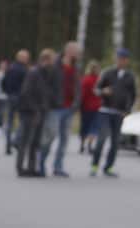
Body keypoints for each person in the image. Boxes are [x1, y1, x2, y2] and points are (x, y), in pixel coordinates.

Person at [92, 50, 137, 175]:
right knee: (101, 139)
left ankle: (108, 167)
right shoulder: (107, 72)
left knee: (115, 142)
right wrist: (103, 91)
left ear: (127, 61)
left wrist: (128, 110)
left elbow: (133, 95)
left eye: (124, 59)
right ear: (115, 59)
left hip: (119, 112)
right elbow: (96, 89)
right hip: (105, 111)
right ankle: (94, 165)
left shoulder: (130, 76)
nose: (121, 61)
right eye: (119, 58)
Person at [17, 49, 60, 176]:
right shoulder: (34, 73)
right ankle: (20, 167)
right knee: (25, 141)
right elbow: (26, 93)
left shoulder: (47, 74)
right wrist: (35, 109)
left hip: (41, 111)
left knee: (35, 142)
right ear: (45, 60)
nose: (54, 63)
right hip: (30, 111)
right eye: (52, 60)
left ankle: (32, 167)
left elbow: (47, 93)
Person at [51, 41, 81, 176]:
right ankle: (40, 163)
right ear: (68, 51)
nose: (78, 54)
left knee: (64, 140)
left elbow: (78, 87)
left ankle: (58, 167)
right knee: (50, 136)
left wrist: (76, 103)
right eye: (77, 52)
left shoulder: (76, 67)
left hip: (70, 108)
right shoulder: (55, 64)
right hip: (55, 107)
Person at [2, 52, 31, 154]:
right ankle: (15, 140)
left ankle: (8, 145)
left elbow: (3, 82)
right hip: (21, 98)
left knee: (10, 122)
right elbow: (28, 86)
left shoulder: (10, 68)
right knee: (23, 121)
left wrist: (7, 92)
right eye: (26, 58)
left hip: (10, 97)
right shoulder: (25, 70)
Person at [79, 62, 102, 152]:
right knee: (94, 127)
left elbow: (82, 94)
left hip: (86, 107)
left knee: (85, 126)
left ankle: (82, 144)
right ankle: (89, 145)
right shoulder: (99, 80)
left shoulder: (85, 79)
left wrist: (80, 105)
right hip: (96, 107)